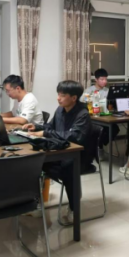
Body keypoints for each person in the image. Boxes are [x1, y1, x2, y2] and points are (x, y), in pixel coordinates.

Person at [23, 80, 91, 222]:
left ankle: (74, 208)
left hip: (78, 156)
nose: (58, 98)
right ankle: (36, 203)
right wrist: (36, 127)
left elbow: (74, 137)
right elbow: (50, 126)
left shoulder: (83, 114)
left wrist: (45, 133)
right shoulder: (60, 109)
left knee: (68, 168)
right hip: (59, 151)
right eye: (58, 94)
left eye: (63, 95)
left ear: (74, 98)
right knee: (34, 164)